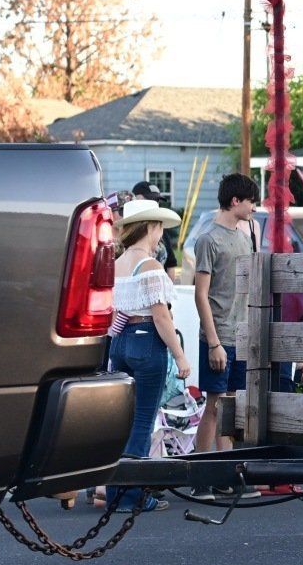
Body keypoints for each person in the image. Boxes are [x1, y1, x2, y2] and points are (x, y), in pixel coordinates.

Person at [102, 199, 188, 512]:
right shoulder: (149, 266)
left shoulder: (117, 263)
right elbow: (161, 316)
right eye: (159, 228)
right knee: (141, 422)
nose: (161, 234)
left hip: (120, 342)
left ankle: (115, 492)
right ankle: (130, 495)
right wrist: (180, 357)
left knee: (122, 423)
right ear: (150, 227)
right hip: (147, 340)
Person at [192, 173, 259, 453]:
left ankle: (224, 470)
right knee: (214, 404)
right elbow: (200, 294)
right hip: (218, 337)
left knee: (230, 406)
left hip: (240, 335)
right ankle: (200, 472)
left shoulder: (245, 238)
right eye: (250, 201)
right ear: (235, 201)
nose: (254, 206)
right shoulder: (209, 240)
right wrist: (214, 342)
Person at [129, 180, 178, 270]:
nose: (154, 203)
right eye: (150, 199)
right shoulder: (128, 232)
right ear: (136, 199)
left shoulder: (162, 231)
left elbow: (171, 265)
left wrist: (168, 283)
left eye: (157, 200)